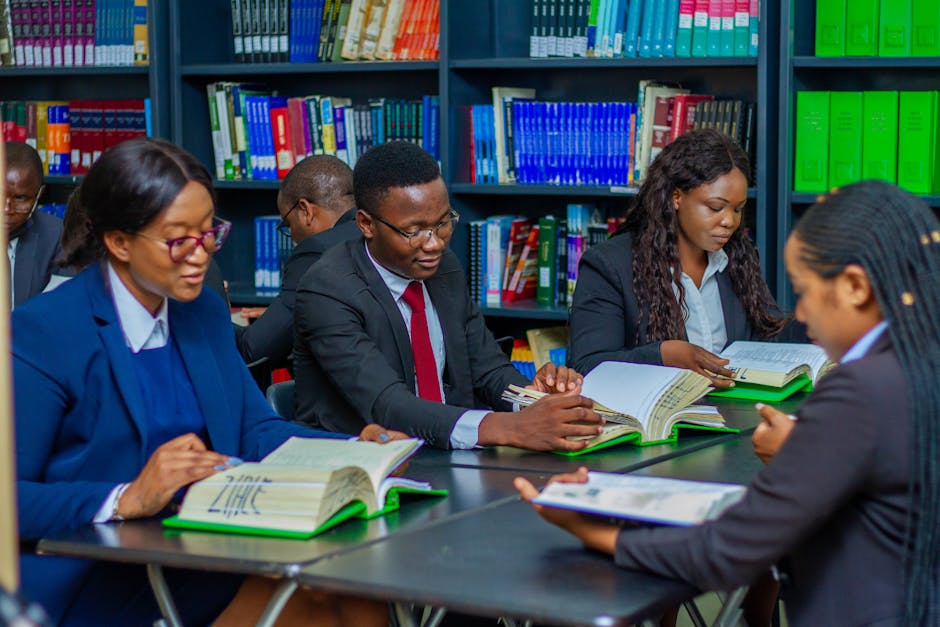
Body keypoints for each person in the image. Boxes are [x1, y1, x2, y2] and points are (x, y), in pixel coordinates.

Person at [13, 138, 402, 626]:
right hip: (97, 572)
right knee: (323, 602)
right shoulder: (43, 332)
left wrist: (353, 450)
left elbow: (256, 431)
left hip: (202, 552)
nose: (201, 255)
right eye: (179, 238)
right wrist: (126, 497)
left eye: (209, 233)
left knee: (361, 590)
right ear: (118, 241)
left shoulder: (201, 313)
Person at [517, 180, 940, 626]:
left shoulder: (856, 393)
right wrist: (813, 448)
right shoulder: (919, 363)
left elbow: (727, 550)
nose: (802, 312)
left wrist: (590, 529)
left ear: (855, 286)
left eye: (805, 290)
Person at [293, 140, 602, 451]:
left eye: (443, 223)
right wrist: (508, 427)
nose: (435, 244)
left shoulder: (443, 269)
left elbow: (488, 370)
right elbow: (388, 405)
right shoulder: (327, 290)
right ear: (366, 224)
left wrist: (531, 399)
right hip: (365, 466)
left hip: (446, 454)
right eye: (414, 231)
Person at [568, 129, 801, 386]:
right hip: (661, 422)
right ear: (676, 196)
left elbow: (766, 337)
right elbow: (586, 367)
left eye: (738, 209)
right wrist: (663, 356)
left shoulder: (739, 257)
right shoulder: (609, 265)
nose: (729, 221)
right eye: (715, 207)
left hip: (734, 415)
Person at [235, 155, 360, 367]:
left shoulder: (315, 252)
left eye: (289, 224)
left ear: (305, 210)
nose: (292, 237)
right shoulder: (379, 234)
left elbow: (254, 350)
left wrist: (213, 310)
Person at [4, 140, 62, 307]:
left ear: (39, 194)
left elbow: (60, 309)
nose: (7, 209)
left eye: (20, 198)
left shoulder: (57, 236)